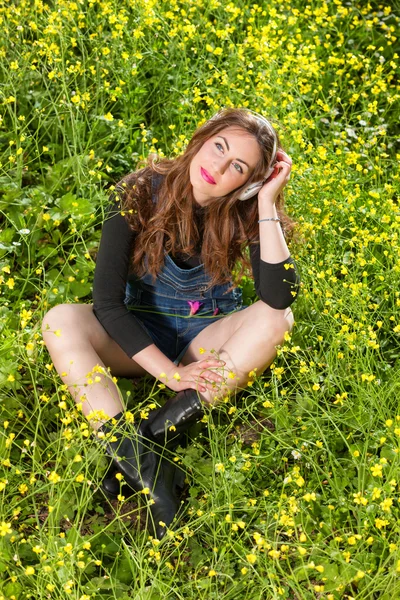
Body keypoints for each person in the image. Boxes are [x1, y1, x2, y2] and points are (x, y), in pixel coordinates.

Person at [42, 107, 300, 539]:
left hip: (203, 339)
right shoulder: (138, 191)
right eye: (219, 147)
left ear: (249, 180)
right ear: (201, 138)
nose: (218, 167)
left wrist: (266, 203)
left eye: (238, 166)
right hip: (136, 334)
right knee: (59, 320)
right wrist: (170, 373)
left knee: (279, 318)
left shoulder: (248, 211)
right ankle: (150, 469)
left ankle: (146, 440)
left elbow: (279, 296)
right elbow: (106, 305)